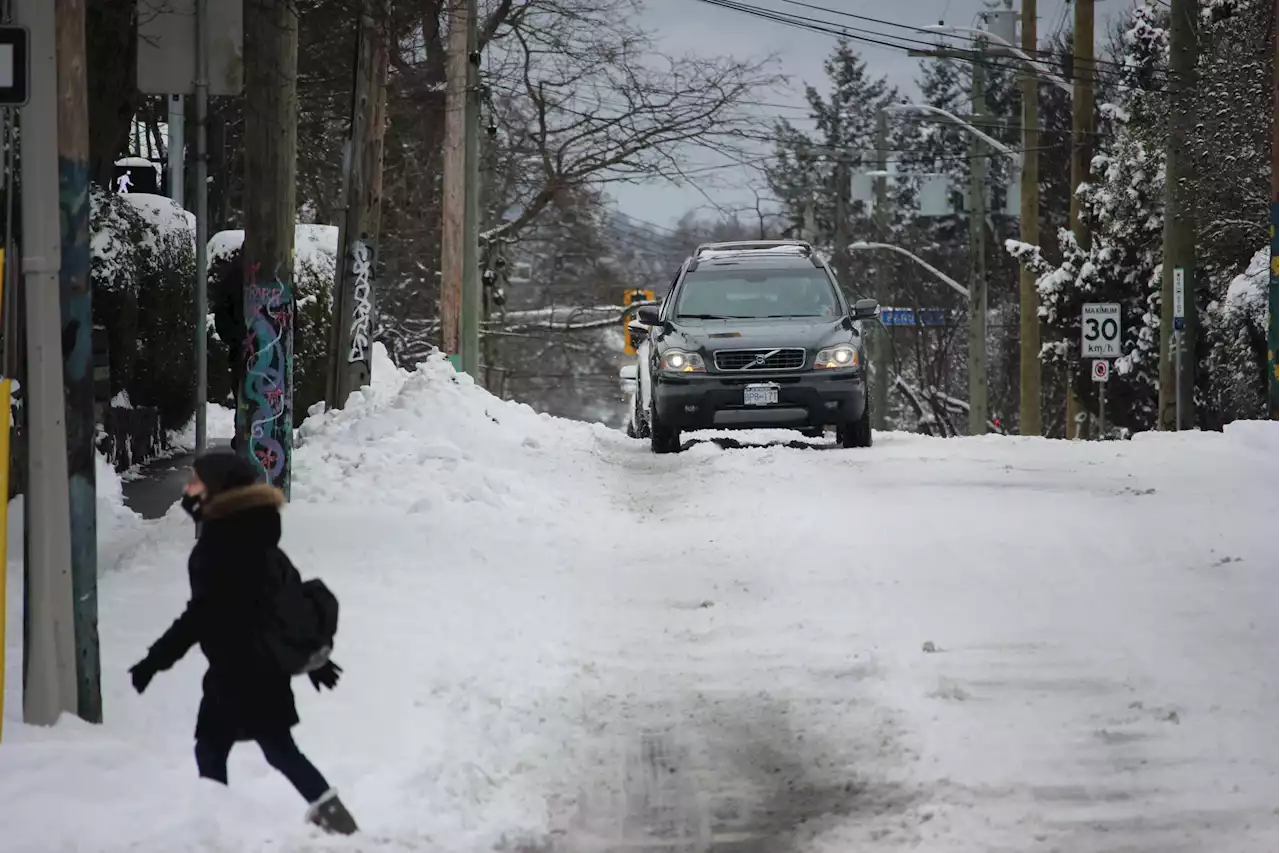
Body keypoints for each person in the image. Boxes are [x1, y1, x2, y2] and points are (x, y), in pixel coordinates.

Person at [128, 450, 357, 835]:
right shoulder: (259, 537)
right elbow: (290, 599)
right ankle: (333, 817)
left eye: (195, 481)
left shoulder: (219, 547)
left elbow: (201, 615)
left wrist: (155, 660)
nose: (187, 489)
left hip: (239, 672)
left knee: (226, 750)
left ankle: (215, 829)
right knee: (262, 749)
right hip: (255, 670)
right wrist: (313, 659)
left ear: (217, 489)